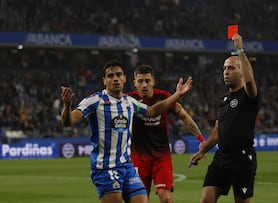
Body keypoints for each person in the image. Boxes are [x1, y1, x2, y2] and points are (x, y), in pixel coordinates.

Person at [60, 59, 193, 203]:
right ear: (104, 81)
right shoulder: (95, 101)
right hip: (105, 168)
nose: (115, 78)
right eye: (111, 76)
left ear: (124, 79)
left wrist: (177, 95)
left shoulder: (129, 102)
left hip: (126, 167)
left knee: (142, 200)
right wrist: (67, 106)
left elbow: (152, 111)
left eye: (119, 75)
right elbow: (68, 121)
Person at [189, 33, 259, 203]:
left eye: (231, 68)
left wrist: (240, 50)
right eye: (224, 68)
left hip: (242, 158)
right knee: (206, 199)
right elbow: (218, 130)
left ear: (241, 71)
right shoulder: (223, 100)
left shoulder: (248, 95)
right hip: (221, 157)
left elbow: (250, 80)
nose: (226, 72)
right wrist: (203, 150)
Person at [126, 64, 205, 203]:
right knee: (139, 200)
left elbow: (186, 118)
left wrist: (202, 140)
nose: (144, 85)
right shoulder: (127, 100)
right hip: (138, 158)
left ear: (153, 81)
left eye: (147, 81)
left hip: (161, 157)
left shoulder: (164, 97)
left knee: (166, 198)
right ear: (134, 83)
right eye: (140, 81)